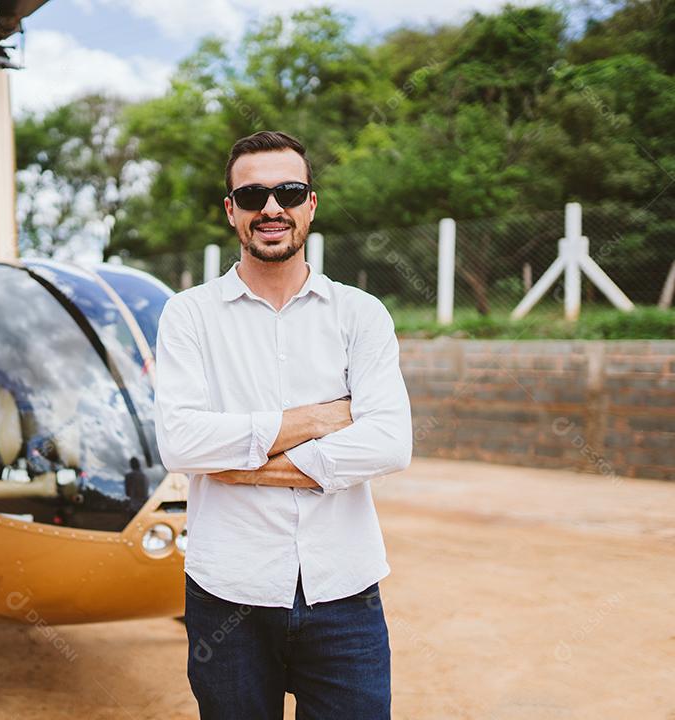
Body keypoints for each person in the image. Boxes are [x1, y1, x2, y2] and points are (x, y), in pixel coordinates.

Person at [153, 130, 412, 719]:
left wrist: (249, 466)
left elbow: (391, 442)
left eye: (289, 192)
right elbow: (182, 442)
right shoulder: (188, 315)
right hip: (229, 594)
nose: (272, 208)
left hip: (344, 593)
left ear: (311, 205)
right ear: (231, 212)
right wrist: (321, 419)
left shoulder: (360, 314)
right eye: (253, 196)